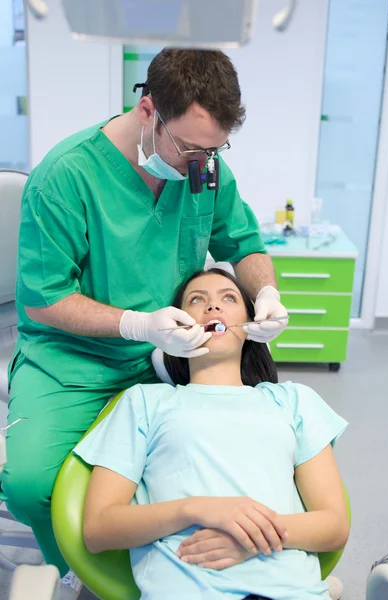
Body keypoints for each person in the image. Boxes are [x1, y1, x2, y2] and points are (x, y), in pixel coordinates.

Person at [3, 49, 289, 593]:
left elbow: (243, 242)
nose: (198, 164)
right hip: (71, 361)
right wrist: (138, 325)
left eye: (214, 149)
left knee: (206, 469)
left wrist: (266, 293)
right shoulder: (65, 178)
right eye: (188, 147)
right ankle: (75, 573)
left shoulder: (203, 164)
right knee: (31, 486)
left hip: (168, 357)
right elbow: (45, 299)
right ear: (148, 109)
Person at [74, 268, 350, 600]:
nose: (213, 308)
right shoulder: (144, 402)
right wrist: (195, 509)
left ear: (252, 325)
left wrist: (249, 538)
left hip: (291, 591)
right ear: (173, 327)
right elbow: (99, 529)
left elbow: (334, 526)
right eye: (196, 300)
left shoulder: (294, 402)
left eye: (229, 298)